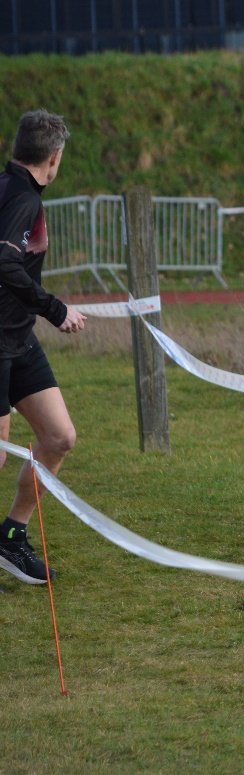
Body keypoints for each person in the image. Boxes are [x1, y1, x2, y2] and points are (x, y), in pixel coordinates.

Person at [0, 110, 86, 585]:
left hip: (17, 339)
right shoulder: (21, 199)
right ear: (53, 158)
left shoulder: (15, 190)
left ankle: (11, 537)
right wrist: (55, 309)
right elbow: (3, 264)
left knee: (59, 438)